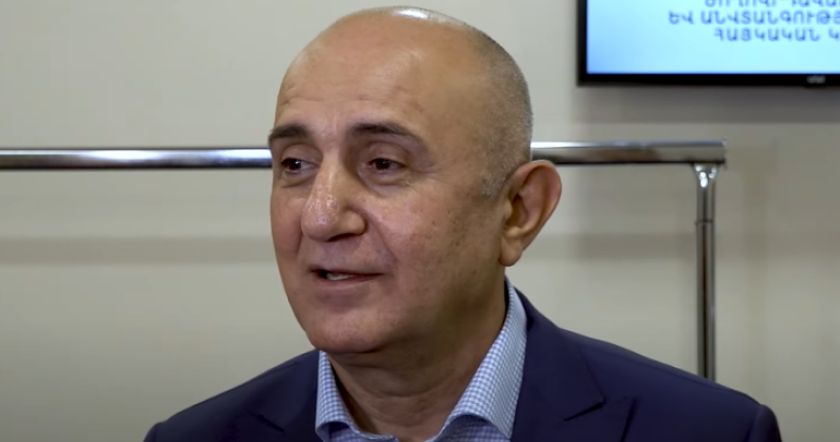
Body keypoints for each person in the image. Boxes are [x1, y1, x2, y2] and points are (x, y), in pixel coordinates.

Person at [144, 7, 781, 442]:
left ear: (518, 211)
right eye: (295, 164)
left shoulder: (709, 432)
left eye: (384, 163)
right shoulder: (193, 438)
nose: (319, 215)